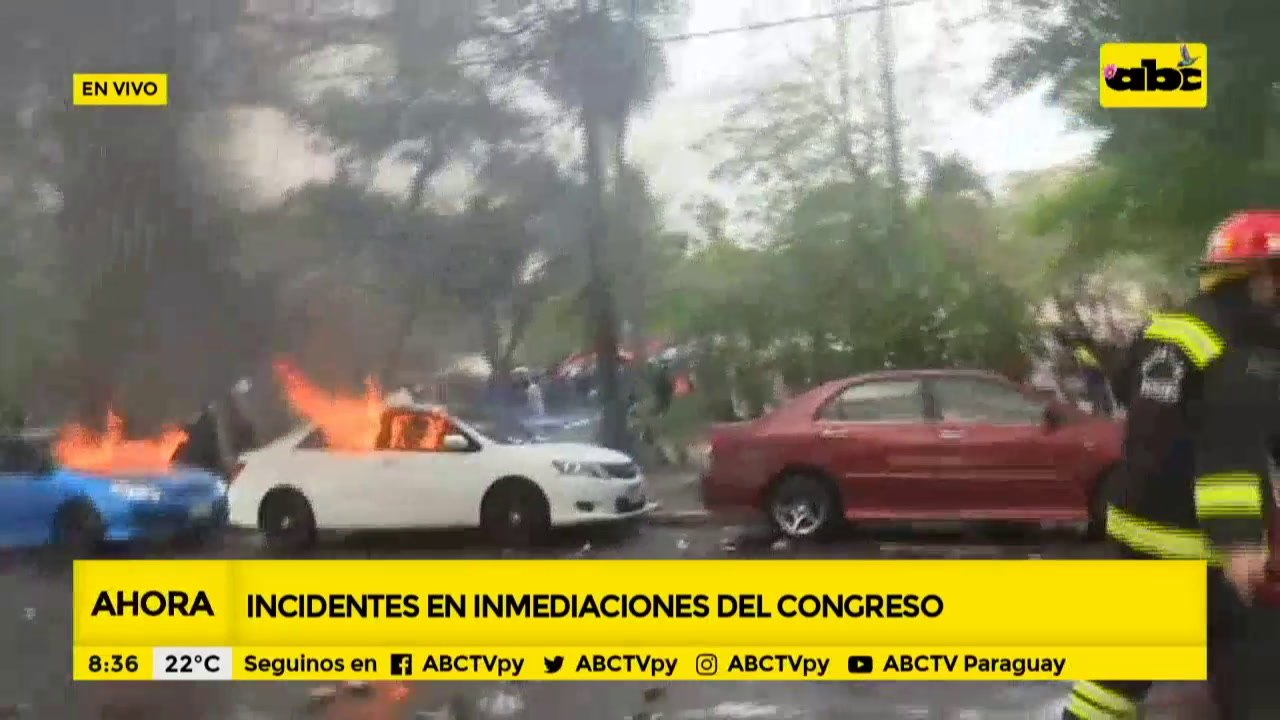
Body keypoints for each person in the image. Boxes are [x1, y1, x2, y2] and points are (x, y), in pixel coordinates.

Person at [1062, 211, 1280, 719]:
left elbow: (1127, 390)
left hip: (1137, 521)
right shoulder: (1244, 349)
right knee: (1259, 669)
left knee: (1125, 663)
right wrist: (1240, 541)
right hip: (1196, 540)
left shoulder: (1172, 327)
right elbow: (1229, 444)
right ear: (1261, 278)